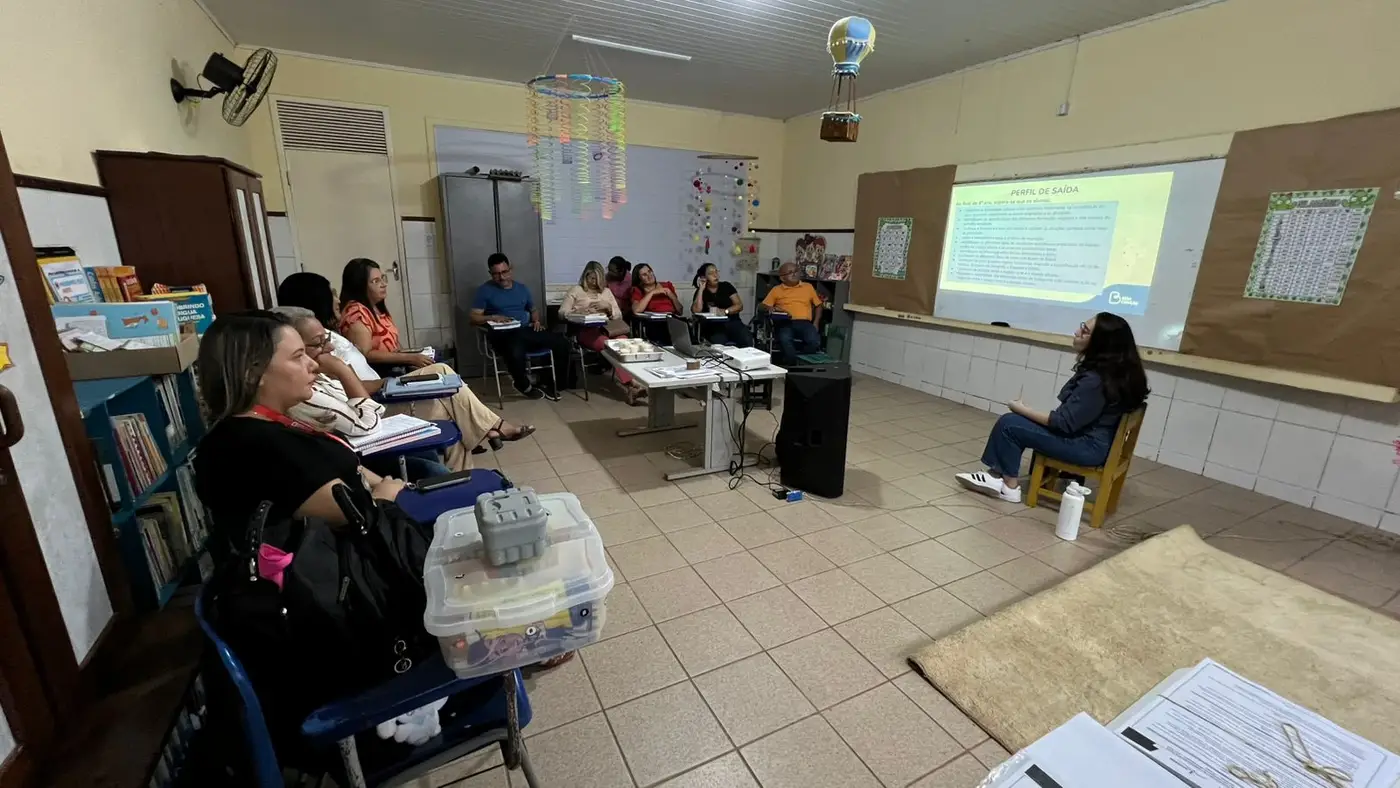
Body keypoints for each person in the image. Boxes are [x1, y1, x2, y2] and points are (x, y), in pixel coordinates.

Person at [193, 311, 412, 541]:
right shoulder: (253, 446)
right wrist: (386, 495)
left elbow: (351, 470)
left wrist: (392, 486)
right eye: (298, 357)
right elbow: (356, 518)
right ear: (253, 373)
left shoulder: (271, 425)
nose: (313, 364)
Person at [275, 306, 535, 472]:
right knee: (451, 404)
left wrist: (387, 380)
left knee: (447, 389)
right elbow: (367, 420)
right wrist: (344, 370)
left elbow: (357, 391)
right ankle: (490, 433)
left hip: (374, 400)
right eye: (319, 343)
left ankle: (464, 476)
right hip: (372, 423)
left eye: (327, 340)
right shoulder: (304, 390)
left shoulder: (316, 372)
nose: (329, 348)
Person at [955, 313, 1150, 504]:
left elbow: (1063, 423)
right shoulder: (1113, 373)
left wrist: (1020, 409)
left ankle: (1008, 486)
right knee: (1020, 422)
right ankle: (996, 475)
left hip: (1086, 447)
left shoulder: (1095, 381)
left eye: (1084, 331)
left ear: (1102, 342)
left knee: (1010, 424)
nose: (1076, 332)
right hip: (1093, 443)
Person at [469, 253, 570, 400]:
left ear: (510, 269)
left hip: (525, 330)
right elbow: (473, 318)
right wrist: (493, 317)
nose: (501, 277)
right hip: (502, 335)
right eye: (496, 274)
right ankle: (524, 385)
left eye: (504, 272)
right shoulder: (485, 290)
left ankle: (551, 384)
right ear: (490, 273)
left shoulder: (522, 289)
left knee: (561, 342)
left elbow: (533, 310)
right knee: (515, 345)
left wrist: (536, 321)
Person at [560, 261, 648, 405]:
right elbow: (562, 313)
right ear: (585, 276)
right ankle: (632, 384)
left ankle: (632, 386)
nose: (594, 282)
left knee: (624, 343)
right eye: (591, 278)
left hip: (609, 328)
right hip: (586, 331)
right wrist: (578, 311)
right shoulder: (576, 290)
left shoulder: (606, 292)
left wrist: (608, 307)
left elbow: (618, 316)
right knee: (609, 345)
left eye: (597, 279)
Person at [278, 272, 380, 385]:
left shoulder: (328, 335)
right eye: (332, 295)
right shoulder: (317, 350)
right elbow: (358, 386)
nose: (338, 301)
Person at [338, 258, 432, 371]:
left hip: (397, 368)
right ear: (359, 285)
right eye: (375, 281)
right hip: (381, 374)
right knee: (440, 370)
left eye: (383, 278)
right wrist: (410, 358)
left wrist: (413, 357)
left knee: (440, 367)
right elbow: (365, 354)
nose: (384, 284)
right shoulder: (356, 313)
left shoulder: (377, 307)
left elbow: (395, 346)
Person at [760, 262, 824, 362]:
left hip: (805, 323)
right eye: (790, 272)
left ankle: (803, 362)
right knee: (785, 339)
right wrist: (770, 308)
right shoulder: (776, 290)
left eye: (796, 271)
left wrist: (816, 323)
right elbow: (762, 306)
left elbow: (818, 305)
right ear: (782, 278)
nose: (794, 274)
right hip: (785, 322)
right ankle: (792, 363)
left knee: (814, 340)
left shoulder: (808, 287)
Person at [690, 263, 752, 348]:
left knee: (746, 338)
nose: (715, 275)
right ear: (704, 277)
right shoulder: (701, 291)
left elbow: (739, 305)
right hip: (713, 326)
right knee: (719, 343)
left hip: (732, 322)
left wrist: (725, 311)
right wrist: (701, 289)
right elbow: (696, 310)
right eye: (711, 273)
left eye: (716, 272)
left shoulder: (726, 286)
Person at [630, 263, 682, 344]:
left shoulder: (667, 286)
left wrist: (671, 295)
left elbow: (680, 311)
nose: (649, 275)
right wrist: (652, 293)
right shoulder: (638, 290)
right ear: (639, 279)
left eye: (649, 271)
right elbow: (636, 310)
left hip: (672, 321)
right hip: (654, 324)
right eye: (644, 275)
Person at [605, 256, 633, 320]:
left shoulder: (630, 281)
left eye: (612, 271)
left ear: (621, 271)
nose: (609, 273)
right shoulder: (607, 278)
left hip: (626, 314)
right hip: (610, 312)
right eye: (608, 269)